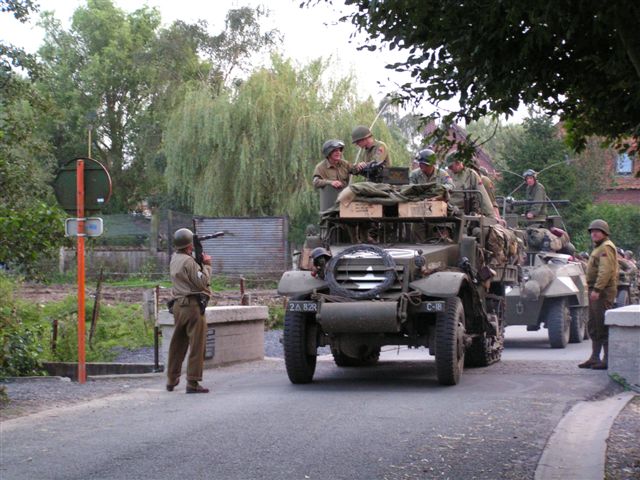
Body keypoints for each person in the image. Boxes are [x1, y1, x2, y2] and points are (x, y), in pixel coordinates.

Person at [166, 228, 213, 393]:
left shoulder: (175, 258)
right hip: (192, 306)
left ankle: (171, 379)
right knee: (197, 345)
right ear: (188, 246)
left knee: (177, 343)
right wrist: (206, 266)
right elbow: (202, 283)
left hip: (178, 305)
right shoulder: (189, 262)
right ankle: (192, 382)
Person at [578, 219, 618, 370]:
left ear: (604, 233)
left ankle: (606, 359)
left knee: (602, 324)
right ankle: (594, 358)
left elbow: (605, 271)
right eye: (592, 231)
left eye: (597, 231)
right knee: (594, 325)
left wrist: (597, 290)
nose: (594, 233)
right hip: (596, 290)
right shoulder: (599, 247)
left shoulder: (606, 247)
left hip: (602, 292)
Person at [445, 151, 497, 220]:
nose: (449, 168)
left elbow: (483, 197)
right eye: (448, 167)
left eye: (451, 166)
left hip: (465, 215)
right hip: (448, 212)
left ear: (458, 163)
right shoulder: (447, 174)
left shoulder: (471, 175)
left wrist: (492, 217)